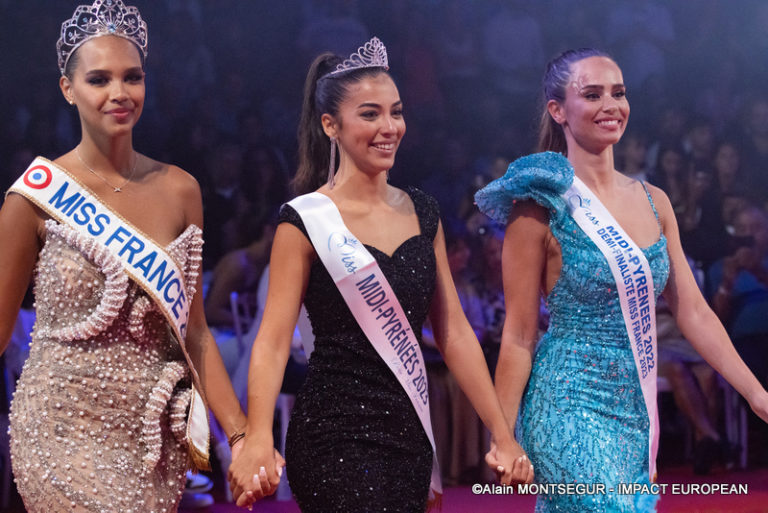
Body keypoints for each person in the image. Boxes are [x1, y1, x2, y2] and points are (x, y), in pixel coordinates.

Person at [227, 37, 528, 511]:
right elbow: (271, 339)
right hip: (332, 434)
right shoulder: (304, 221)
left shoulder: (424, 213)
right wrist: (260, 436)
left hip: (409, 432)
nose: (389, 127)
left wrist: (502, 433)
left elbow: (454, 334)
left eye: (396, 112)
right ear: (331, 125)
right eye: (370, 114)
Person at [475, 48, 768, 512]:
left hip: (635, 406)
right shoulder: (540, 204)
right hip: (566, 402)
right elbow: (518, 335)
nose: (611, 105)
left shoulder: (656, 201)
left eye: (619, 93)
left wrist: (757, 394)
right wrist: (504, 435)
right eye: (592, 94)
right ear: (558, 110)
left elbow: (692, 310)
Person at [0, 2, 250, 511]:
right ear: (68, 89)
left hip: (152, 438)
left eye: (132, 77)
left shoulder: (182, 190)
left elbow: (195, 330)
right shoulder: (32, 197)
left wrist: (241, 438)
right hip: (58, 429)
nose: (119, 93)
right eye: (99, 79)